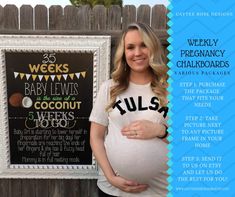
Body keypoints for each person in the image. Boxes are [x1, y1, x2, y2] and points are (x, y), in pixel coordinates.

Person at [89, 22, 169, 197]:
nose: (137, 53)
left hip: (159, 191)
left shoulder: (172, 90)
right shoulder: (109, 88)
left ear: (153, 48)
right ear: (124, 54)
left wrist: (160, 130)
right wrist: (110, 177)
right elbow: (96, 137)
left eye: (143, 45)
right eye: (130, 47)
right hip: (113, 189)